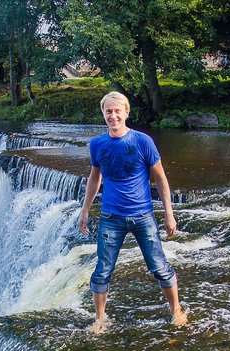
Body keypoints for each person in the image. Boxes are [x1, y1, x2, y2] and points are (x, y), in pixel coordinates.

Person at [78, 91, 188, 334]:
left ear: (127, 112)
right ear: (103, 114)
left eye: (118, 111)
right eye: (109, 111)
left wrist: (169, 213)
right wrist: (85, 210)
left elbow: (160, 179)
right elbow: (94, 179)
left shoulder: (142, 141)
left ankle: (176, 311)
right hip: (110, 217)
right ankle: (100, 319)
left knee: (159, 266)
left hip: (143, 216)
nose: (113, 116)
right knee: (102, 270)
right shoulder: (97, 144)